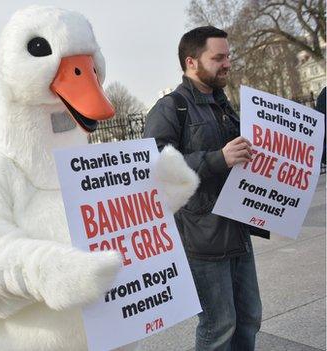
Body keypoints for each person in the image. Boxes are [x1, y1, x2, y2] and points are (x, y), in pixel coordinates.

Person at [143, 26, 264, 350]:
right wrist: (217, 159)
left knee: (249, 318)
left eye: (228, 56)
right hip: (201, 238)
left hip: (236, 229)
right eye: (219, 57)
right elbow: (153, 167)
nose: (227, 63)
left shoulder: (222, 104)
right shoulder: (172, 107)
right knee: (219, 326)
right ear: (192, 62)